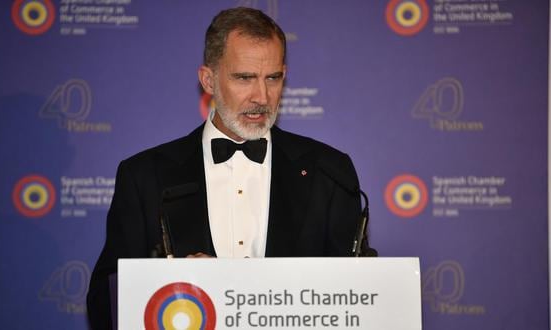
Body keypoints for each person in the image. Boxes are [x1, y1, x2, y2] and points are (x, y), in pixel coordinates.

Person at [87, 7, 374, 329]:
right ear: (208, 79)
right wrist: (170, 283)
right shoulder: (145, 175)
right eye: (244, 78)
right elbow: (106, 296)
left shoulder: (328, 170)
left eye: (273, 78)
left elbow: (356, 291)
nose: (261, 96)